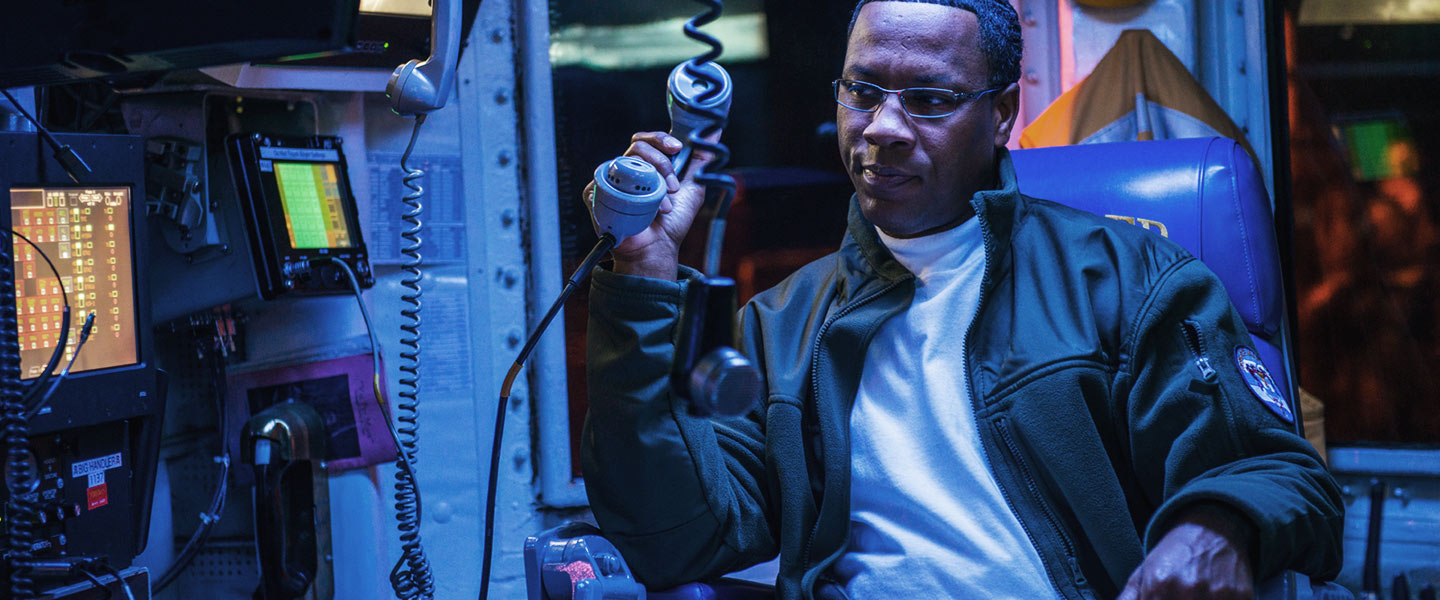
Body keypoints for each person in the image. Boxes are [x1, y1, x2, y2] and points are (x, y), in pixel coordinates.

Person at [580, 1, 1343, 598]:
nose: (882, 129)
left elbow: (1284, 476)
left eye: (930, 100)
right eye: (863, 91)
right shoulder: (779, 327)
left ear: (1003, 112)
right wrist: (642, 275)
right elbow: (671, 536)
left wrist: (1218, 526)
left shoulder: (1127, 276)